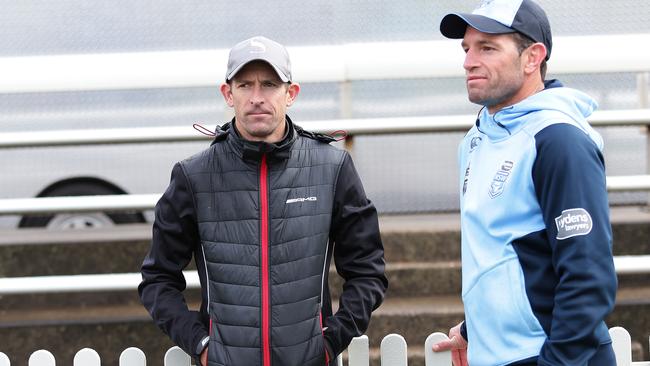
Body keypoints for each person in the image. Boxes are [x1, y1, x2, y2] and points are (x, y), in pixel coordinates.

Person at [138, 36, 388, 366]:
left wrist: (329, 342)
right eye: (245, 85)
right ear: (228, 93)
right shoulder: (193, 176)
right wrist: (200, 344)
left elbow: (368, 272)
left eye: (269, 84)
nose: (257, 97)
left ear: (291, 93)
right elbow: (157, 280)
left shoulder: (332, 168)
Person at [431, 1, 617, 365]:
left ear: (533, 57)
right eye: (467, 48)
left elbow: (588, 275)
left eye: (487, 47)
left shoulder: (559, 140)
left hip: (552, 356)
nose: (469, 61)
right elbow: (504, 250)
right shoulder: (476, 139)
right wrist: (476, 329)